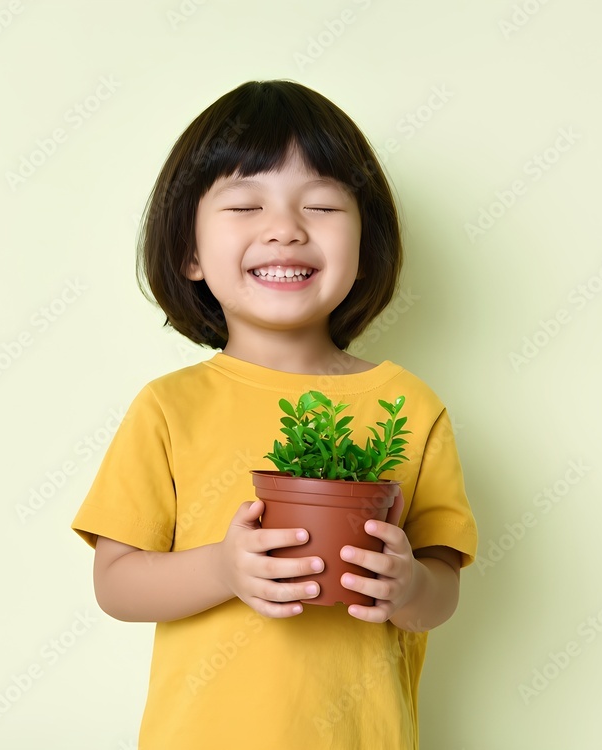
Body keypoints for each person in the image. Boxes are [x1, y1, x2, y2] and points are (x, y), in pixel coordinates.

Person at [71, 80, 478, 749]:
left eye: (321, 205)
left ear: (365, 244)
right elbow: (116, 584)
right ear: (189, 253)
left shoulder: (410, 405)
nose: (285, 228)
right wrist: (224, 570)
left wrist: (407, 586)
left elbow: (444, 589)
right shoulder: (168, 408)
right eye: (243, 204)